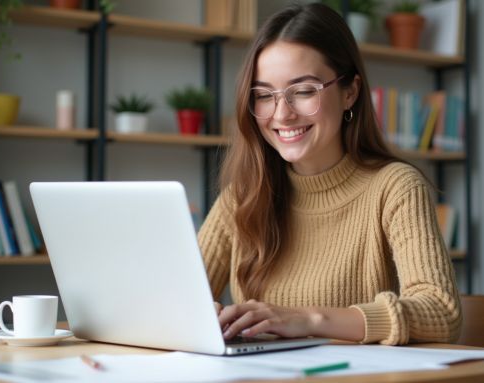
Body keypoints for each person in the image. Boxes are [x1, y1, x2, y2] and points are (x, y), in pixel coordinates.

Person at [197, 3, 461, 345]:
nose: (282, 114)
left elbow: (441, 311)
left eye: (304, 91)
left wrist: (306, 319)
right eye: (264, 96)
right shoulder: (242, 196)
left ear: (350, 92)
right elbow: (170, 300)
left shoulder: (395, 187)